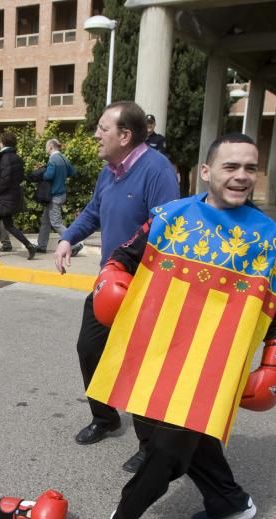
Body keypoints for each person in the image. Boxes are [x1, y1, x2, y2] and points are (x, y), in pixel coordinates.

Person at [88, 133, 276, 519]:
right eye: (231, 166)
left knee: (166, 452)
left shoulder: (270, 241)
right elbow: (127, 255)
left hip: (212, 365)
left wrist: (275, 362)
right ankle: (229, 501)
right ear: (206, 172)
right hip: (156, 351)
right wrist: (111, 278)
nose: (241, 176)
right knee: (174, 437)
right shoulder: (170, 217)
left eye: (249, 168)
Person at [54, 101, 180, 473]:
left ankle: (149, 444)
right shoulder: (109, 171)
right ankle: (105, 417)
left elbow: (167, 229)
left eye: (102, 128)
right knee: (89, 348)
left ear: (125, 136)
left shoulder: (157, 171)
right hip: (108, 283)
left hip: (145, 289)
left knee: (139, 365)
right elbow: (94, 210)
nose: (96, 134)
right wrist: (67, 238)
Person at [0, 131, 37, 260]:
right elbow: (20, 177)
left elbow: (5, 179)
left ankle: (29, 246)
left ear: (3, 142)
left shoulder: (4, 157)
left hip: (3, 195)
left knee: (8, 225)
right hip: (10, 194)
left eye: (0, 141)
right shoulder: (16, 157)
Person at [34, 138, 79, 255]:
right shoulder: (64, 158)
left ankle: (75, 244)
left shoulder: (53, 159)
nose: (45, 149)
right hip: (61, 193)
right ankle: (41, 246)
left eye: (46, 146)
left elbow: (48, 176)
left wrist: (40, 172)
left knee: (56, 223)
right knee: (45, 221)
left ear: (50, 147)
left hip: (54, 195)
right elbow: (72, 172)